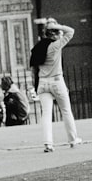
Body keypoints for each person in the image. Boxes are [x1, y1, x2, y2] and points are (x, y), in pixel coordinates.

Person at [30, 17, 81, 152]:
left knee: (46, 114)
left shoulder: (38, 47)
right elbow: (71, 31)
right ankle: (72, 139)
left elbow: (33, 68)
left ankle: (48, 143)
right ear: (55, 33)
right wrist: (58, 25)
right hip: (57, 81)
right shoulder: (56, 45)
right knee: (66, 111)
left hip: (42, 82)